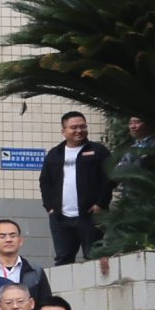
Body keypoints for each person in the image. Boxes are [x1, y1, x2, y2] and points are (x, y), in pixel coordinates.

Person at [38, 110, 112, 265]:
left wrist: (100, 204)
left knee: (94, 257)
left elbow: (110, 178)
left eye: (83, 126)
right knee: (63, 259)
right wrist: (50, 208)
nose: (79, 130)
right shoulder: (54, 154)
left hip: (90, 216)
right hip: (60, 218)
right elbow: (45, 181)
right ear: (63, 131)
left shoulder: (98, 151)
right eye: (74, 127)